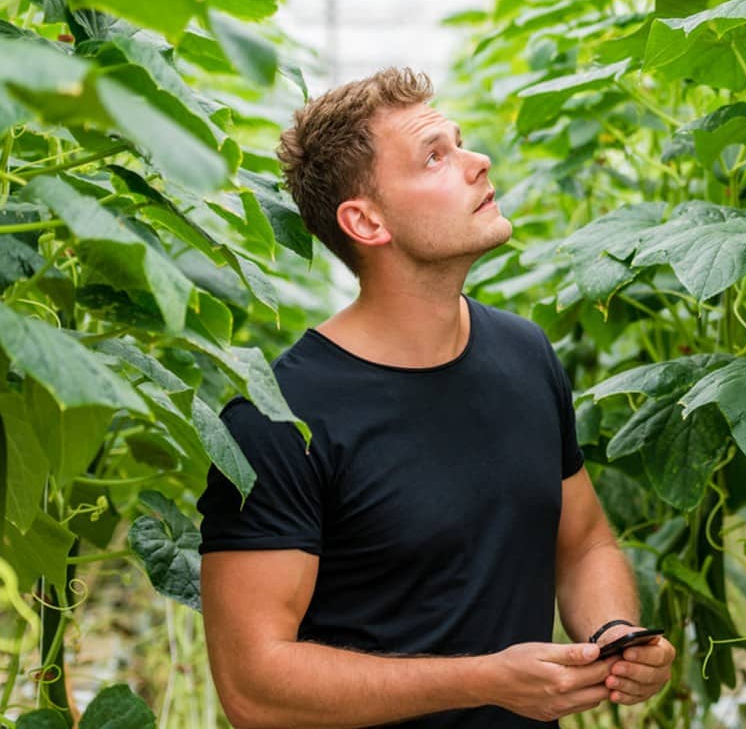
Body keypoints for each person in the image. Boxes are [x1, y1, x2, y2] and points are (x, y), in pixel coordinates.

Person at [197, 67, 676, 728]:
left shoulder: (525, 354)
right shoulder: (276, 418)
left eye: (460, 141)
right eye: (434, 156)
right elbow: (254, 686)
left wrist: (614, 632)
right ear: (365, 221)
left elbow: (584, 541)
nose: (477, 163)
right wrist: (485, 681)